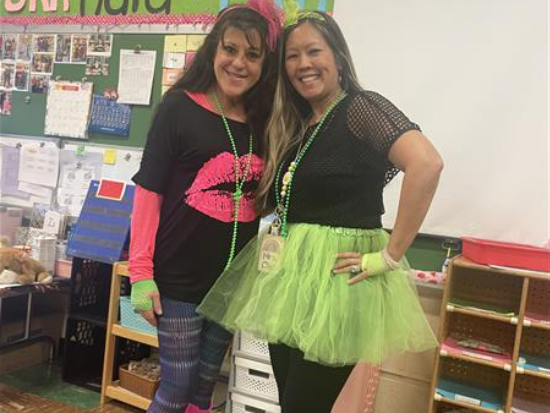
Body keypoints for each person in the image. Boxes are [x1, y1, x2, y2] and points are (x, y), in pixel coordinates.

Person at [198, 10, 444, 413]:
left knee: (302, 407)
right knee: (291, 402)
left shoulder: (362, 107)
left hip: (335, 285)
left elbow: (427, 164)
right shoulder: (299, 123)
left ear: (339, 59)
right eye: (292, 56)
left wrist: (390, 254)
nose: (303, 65)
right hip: (289, 281)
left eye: (314, 51)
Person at [128, 2, 282, 413]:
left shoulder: (264, 120)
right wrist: (141, 274)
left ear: (265, 63)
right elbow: (148, 191)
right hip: (178, 279)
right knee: (176, 388)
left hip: (231, 283)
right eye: (230, 49)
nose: (238, 63)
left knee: (202, 390)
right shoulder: (179, 107)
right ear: (214, 49)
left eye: (252, 55)